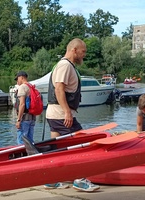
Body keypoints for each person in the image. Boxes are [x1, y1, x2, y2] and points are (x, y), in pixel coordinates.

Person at [45, 38, 100, 192]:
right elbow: (58, 90)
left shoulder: (67, 66)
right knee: (81, 144)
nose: (84, 55)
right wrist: (68, 112)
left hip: (55, 114)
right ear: (74, 50)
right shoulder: (65, 65)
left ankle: (51, 179)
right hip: (61, 114)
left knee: (57, 148)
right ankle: (80, 179)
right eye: (83, 52)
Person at [14, 71, 36, 144]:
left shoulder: (22, 87)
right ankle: (32, 154)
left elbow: (22, 104)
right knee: (30, 140)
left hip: (24, 118)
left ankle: (23, 154)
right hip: (32, 117)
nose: (17, 81)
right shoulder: (31, 86)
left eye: (17, 79)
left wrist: (18, 120)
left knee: (21, 141)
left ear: (22, 77)